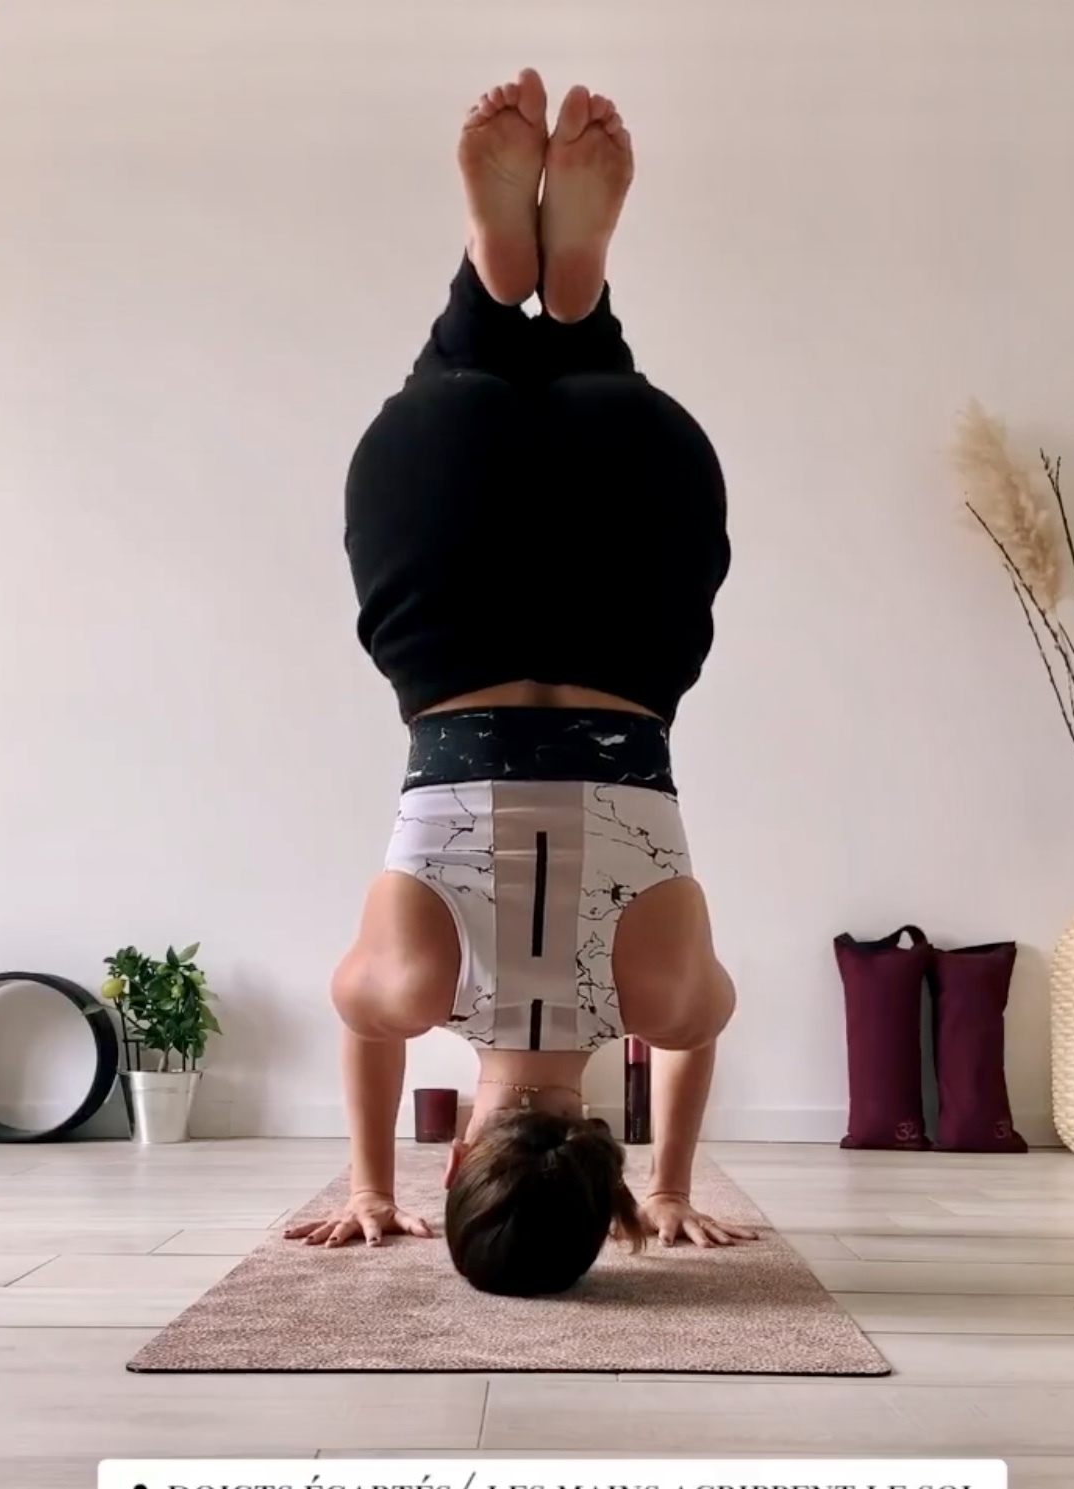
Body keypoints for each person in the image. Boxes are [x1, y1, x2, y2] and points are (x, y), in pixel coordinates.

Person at [286, 68, 755, 1295]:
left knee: (601, 403)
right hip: (447, 597)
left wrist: (671, 1185)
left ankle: (577, 300)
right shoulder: (414, 986)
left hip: (633, 579)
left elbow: (700, 1032)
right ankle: (494, 290)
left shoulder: (660, 992)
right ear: (457, 1163)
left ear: (603, 1162)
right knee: (453, 398)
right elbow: (363, 1022)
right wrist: (368, 1185)